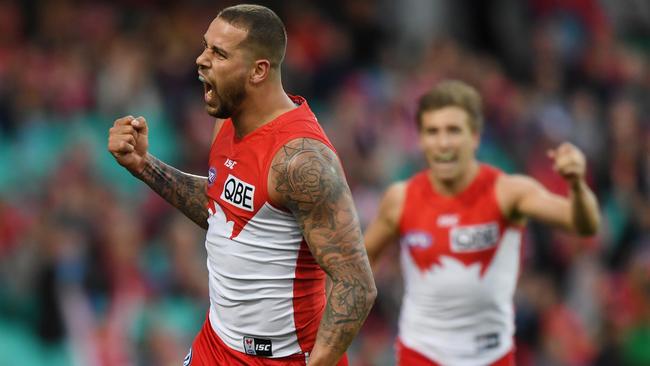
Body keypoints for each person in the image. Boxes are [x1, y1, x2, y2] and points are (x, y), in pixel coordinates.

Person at [107, 4, 376, 366]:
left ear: (258, 70)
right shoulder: (228, 119)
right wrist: (144, 166)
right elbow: (223, 208)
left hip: (285, 359)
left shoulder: (302, 162)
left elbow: (356, 286)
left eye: (218, 53)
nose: (200, 60)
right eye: (205, 47)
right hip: (216, 346)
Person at [364, 80, 600, 366]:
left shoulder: (508, 192)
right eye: (432, 132)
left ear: (475, 136)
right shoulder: (400, 199)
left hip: (491, 356)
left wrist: (576, 185)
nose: (443, 143)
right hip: (421, 354)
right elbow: (356, 267)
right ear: (421, 139)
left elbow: (584, 224)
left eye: (453, 131)